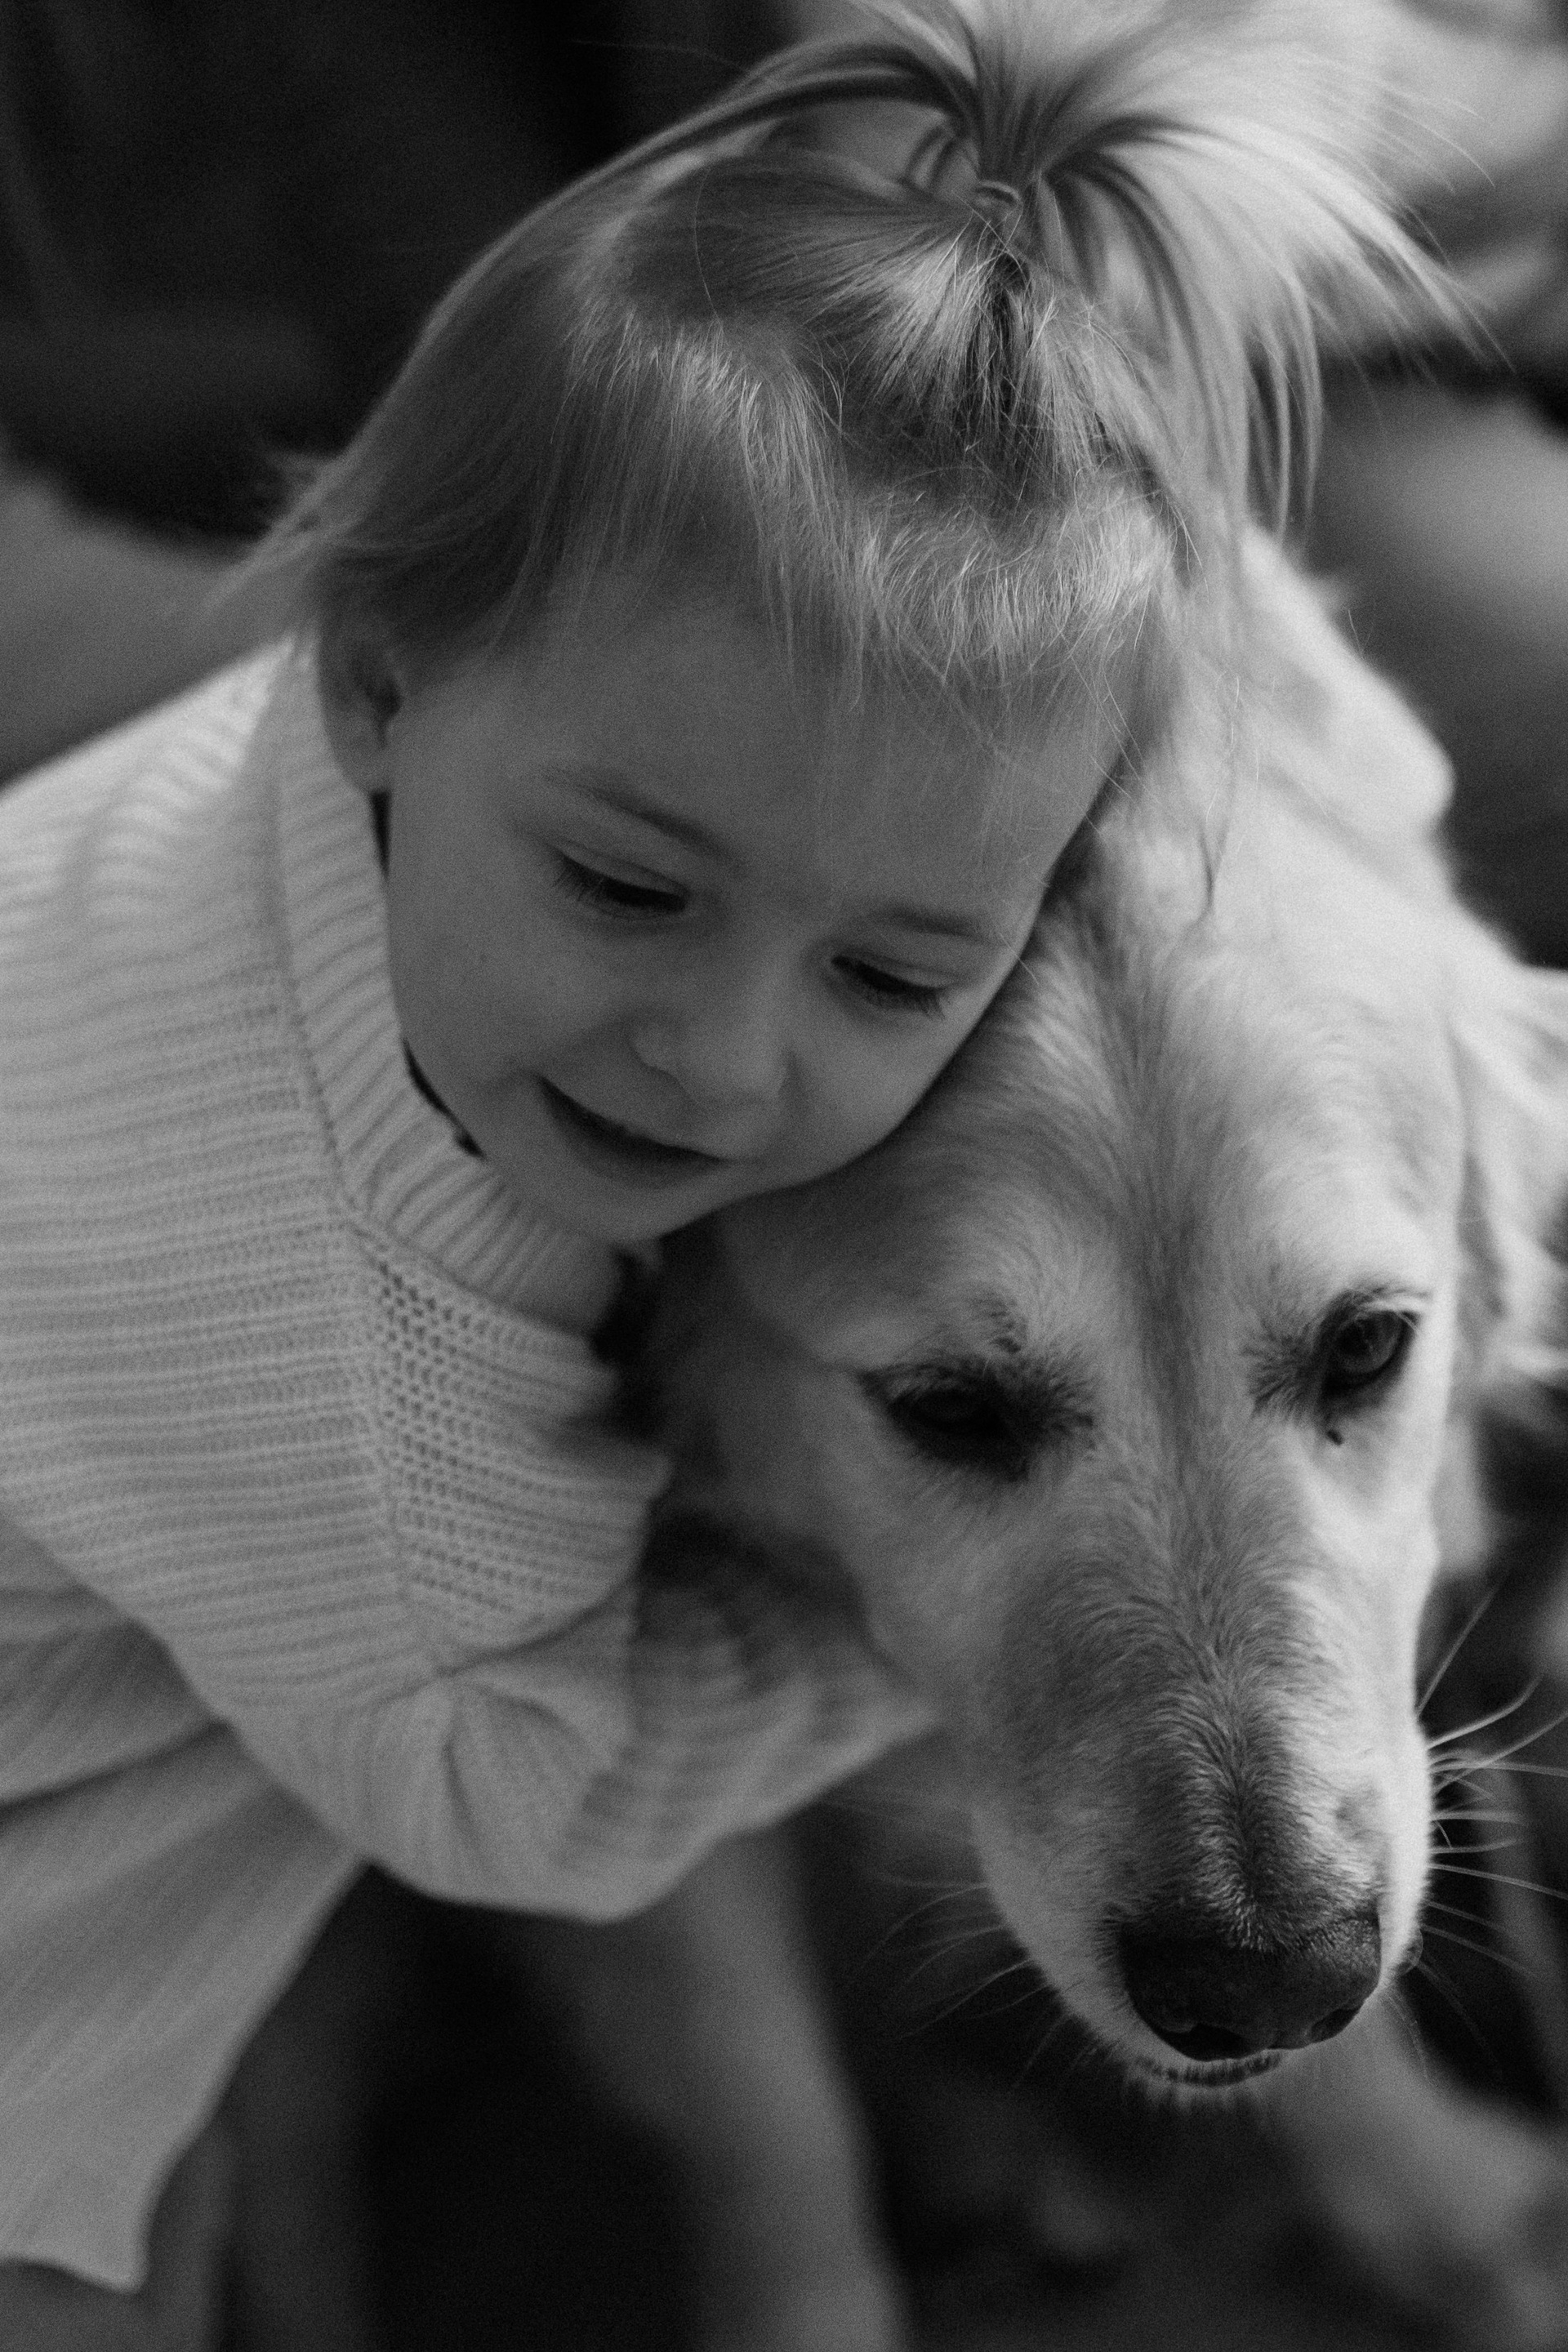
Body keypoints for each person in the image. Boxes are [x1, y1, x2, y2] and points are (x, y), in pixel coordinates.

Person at [0, 2, 1431, 2337]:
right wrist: (892, 1655)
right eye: (636, 893)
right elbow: (527, 1801)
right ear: (366, 681)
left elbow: (1296, 721)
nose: (733, 1068)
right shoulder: (372, 1311)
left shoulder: (526, 725)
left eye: (891, 972)